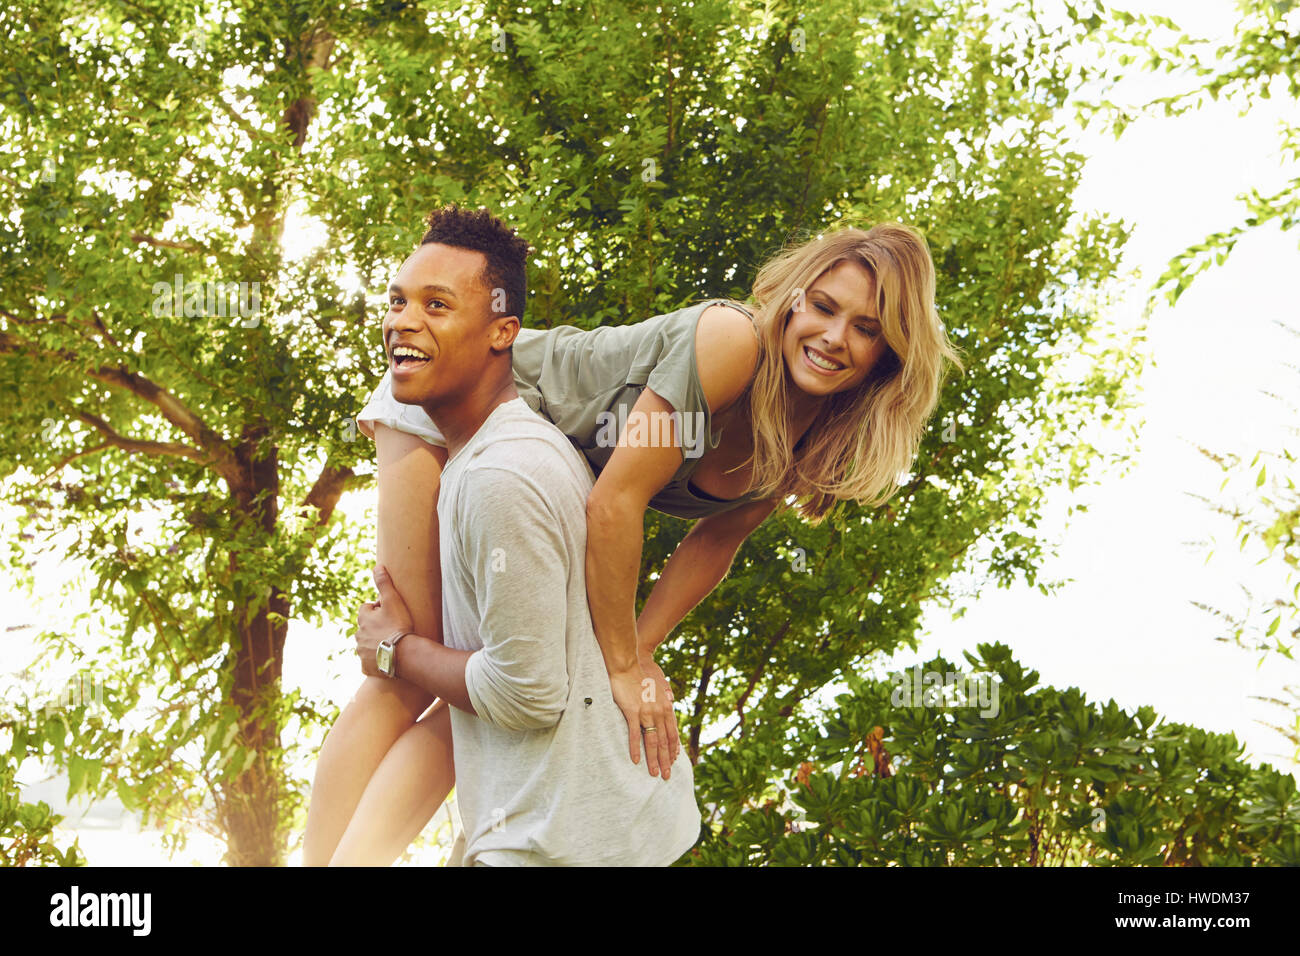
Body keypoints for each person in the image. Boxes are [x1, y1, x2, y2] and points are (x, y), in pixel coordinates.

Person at [303, 204, 963, 865]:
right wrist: (620, 664)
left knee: (478, 691)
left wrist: (634, 653)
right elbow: (616, 504)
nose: (834, 335)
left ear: (887, 353)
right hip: (449, 397)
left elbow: (713, 543)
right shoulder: (729, 343)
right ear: (792, 304)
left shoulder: (810, 440)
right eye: (823, 306)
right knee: (409, 669)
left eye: (866, 328)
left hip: (521, 480)